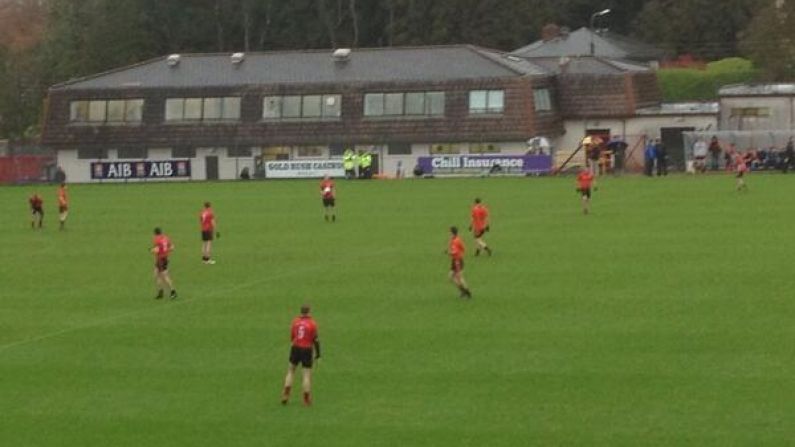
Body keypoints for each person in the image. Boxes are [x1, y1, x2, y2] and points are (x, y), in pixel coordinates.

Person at [281, 304, 321, 406]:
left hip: (295, 347)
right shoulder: (312, 324)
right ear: (309, 312)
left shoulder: (295, 322)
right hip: (307, 349)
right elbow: (315, 340)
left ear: (301, 312)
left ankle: (286, 394)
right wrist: (318, 354)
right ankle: (306, 399)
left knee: (290, 371)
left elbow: (292, 336)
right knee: (306, 374)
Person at [152, 227, 177, 299]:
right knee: (156, 274)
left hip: (160, 259)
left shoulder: (156, 239)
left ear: (155, 233)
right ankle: (160, 292)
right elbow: (172, 247)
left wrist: (152, 250)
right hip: (165, 258)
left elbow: (156, 250)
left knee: (164, 276)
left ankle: (173, 291)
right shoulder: (166, 238)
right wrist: (166, 251)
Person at [447, 226, 472, 298]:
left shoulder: (455, 241)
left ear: (452, 233)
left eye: (450, 232)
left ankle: (467, 292)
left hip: (457, 261)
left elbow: (454, 251)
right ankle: (463, 291)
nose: (449, 233)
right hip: (455, 260)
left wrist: (449, 252)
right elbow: (463, 248)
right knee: (451, 277)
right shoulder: (456, 239)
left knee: (459, 277)